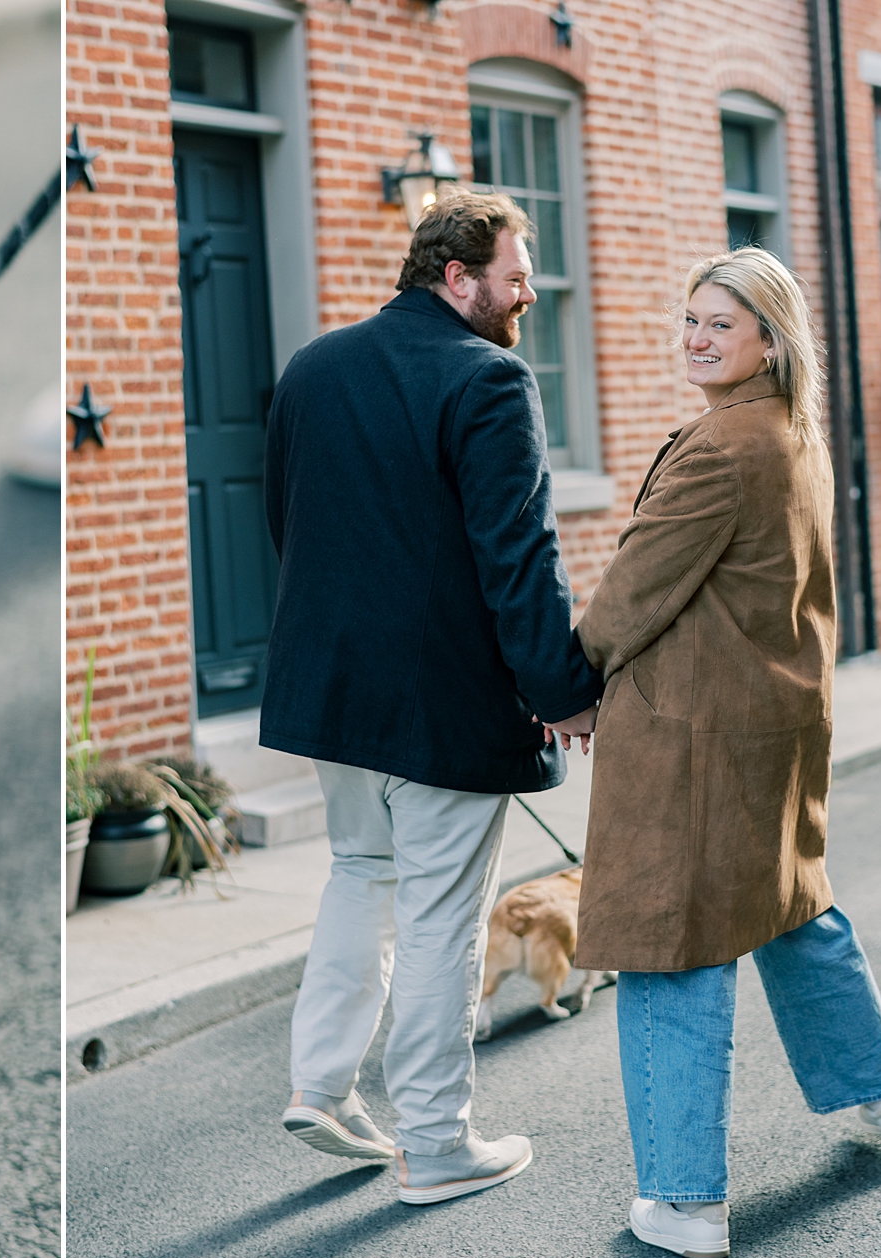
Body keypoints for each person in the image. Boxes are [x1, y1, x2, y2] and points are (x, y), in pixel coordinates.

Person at [572, 247, 881, 1258]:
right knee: (791, 907)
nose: (693, 337)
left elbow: (633, 592)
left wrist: (560, 686)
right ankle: (880, 1097)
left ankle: (683, 1201)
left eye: (716, 324)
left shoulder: (720, 446)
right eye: (687, 318)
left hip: (690, 737)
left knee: (666, 946)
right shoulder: (793, 431)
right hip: (773, 728)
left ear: (767, 340)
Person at [260, 190, 603, 1204]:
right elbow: (518, 555)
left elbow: (285, 522)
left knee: (359, 875)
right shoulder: (490, 379)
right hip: (441, 705)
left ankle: (319, 1085)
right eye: (512, 273)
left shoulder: (312, 365)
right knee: (443, 921)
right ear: (456, 278)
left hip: (331, 693)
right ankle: (435, 1143)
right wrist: (560, 689)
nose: (526, 290)